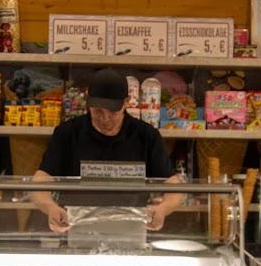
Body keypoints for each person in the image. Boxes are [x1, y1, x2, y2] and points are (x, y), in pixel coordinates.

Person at [32, 68, 184, 233]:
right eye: (98, 111)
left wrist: (162, 209)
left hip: (132, 230)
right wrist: (50, 207)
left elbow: (175, 188)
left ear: (126, 102)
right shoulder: (67, 133)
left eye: (112, 111)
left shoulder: (146, 135)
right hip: (75, 229)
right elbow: (41, 180)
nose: (105, 118)